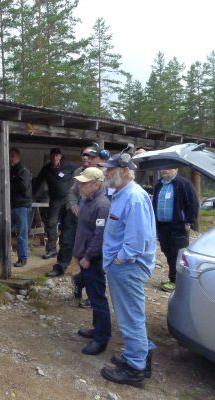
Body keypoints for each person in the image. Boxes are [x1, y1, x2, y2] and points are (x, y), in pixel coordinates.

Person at [98, 153, 157, 388]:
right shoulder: (121, 195)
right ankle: (141, 354)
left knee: (130, 317)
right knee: (129, 316)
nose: (105, 173)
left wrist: (119, 261)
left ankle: (135, 369)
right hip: (122, 267)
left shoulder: (134, 197)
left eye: (110, 170)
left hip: (128, 267)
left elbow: (137, 240)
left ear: (124, 171)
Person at [71, 167, 111, 355]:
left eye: (84, 183)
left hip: (93, 260)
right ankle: (97, 329)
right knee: (94, 297)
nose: (80, 186)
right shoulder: (89, 201)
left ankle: (101, 339)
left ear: (95, 185)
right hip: (85, 257)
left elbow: (99, 235)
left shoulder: (101, 205)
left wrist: (88, 257)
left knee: (97, 298)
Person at [68, 144, 110, 306]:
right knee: (86, 259)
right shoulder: (81, 173)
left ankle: (88, 291)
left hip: (102, 217)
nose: (87, 159)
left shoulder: (108, 175)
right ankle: (84, 286)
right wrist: (73, 206)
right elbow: (72, 191)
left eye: (91, 157)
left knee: (94, 262)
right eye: (85, 155)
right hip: (85, 217)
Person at [32, 148, 77, 276]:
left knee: (68, 225)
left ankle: (66, 249)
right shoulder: (46, 168)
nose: (54, 158)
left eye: (56, 156)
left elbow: (80, 173)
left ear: (60, 157)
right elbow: (38, 181)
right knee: (51, 223)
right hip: (55, 200)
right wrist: (32, 194)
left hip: (68, 199)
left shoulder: (69, 166)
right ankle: (51, 249)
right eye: (52, 156)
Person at [152, 168, 199, 292]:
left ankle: (177, 282)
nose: (164, 170)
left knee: (178, 254)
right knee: (167, 251)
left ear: (176, 169)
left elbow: (193, 203)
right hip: (162, 226)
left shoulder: (183, 183)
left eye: (168, 167)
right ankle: (174, 279)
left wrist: (189, 221)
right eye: (163, 167)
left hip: (178, 226)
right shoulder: (159, 184)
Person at [0, 147, 32, 267]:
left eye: (13, 155)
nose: (11, 158)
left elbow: (23, 188)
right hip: (12, 206)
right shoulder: (12, 170)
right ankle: (2, 256)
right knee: (5, 231)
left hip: (22, 206)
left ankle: (23, 259)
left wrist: (5, 186)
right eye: (10, 156)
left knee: (22, 234)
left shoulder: (23, 170)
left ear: (18, 157)